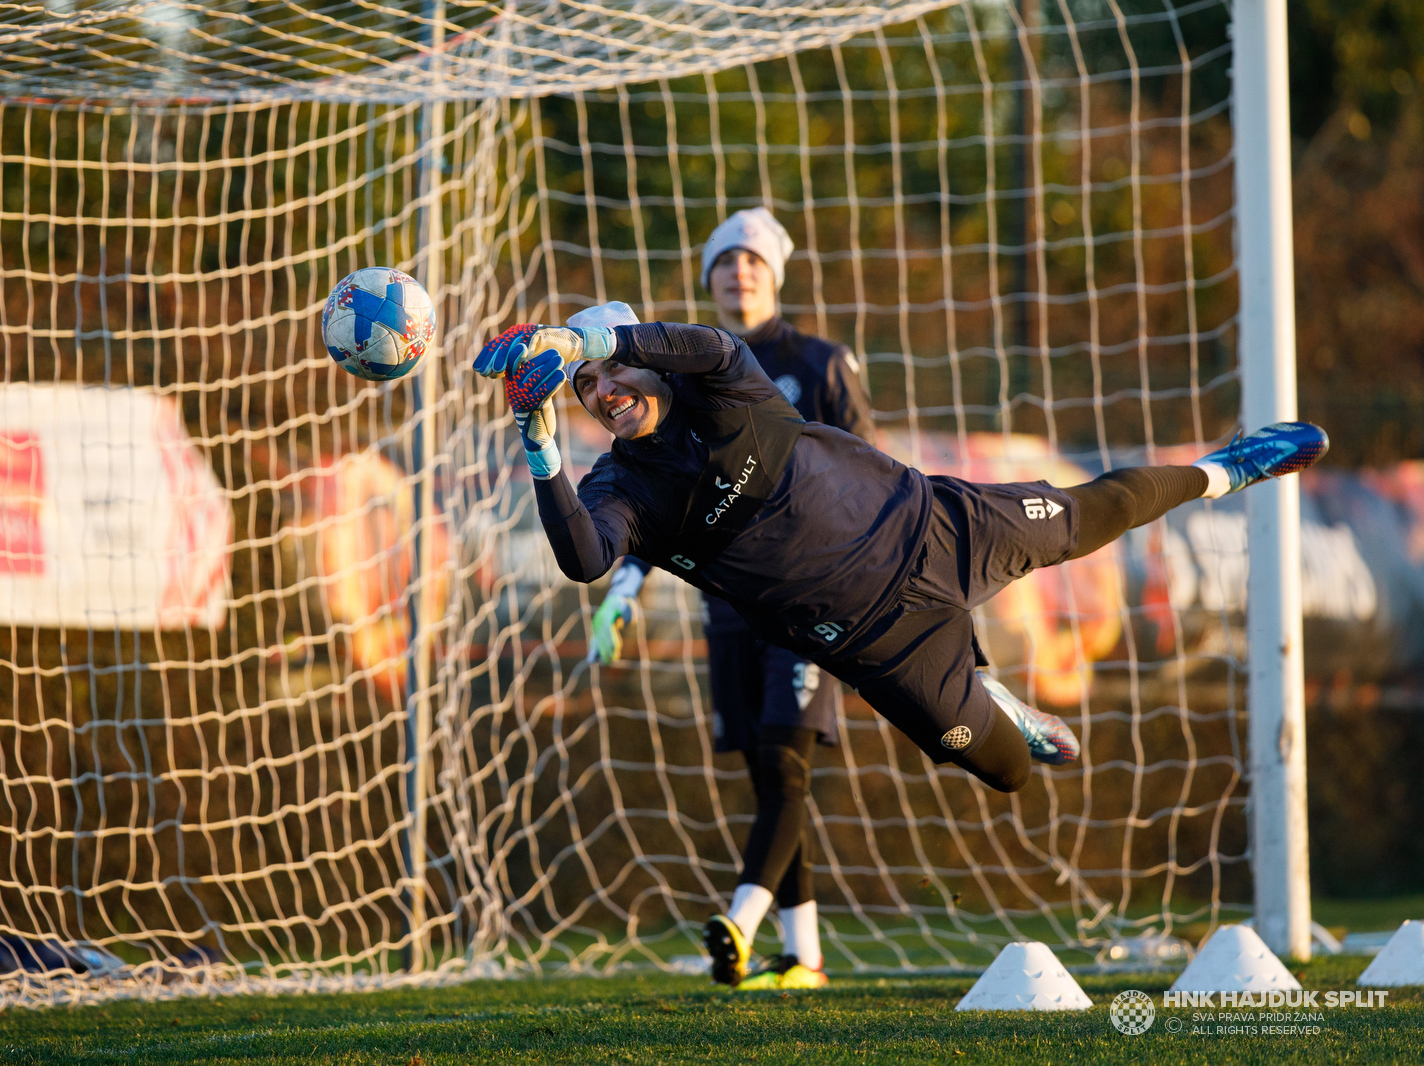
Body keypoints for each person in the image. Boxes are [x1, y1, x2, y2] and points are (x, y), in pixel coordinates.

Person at [478, 314, 1328, 988]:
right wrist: (537, 432)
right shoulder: (619, 484)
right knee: (1008, 772)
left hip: (935, 528)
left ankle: (1231, 468)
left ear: (647, 361)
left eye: (613, 368)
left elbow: (703, 342)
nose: (604, 388)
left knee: (1089, 515)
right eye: (585, 386)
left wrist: (580, 340)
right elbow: (585, 558)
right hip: (878, 645)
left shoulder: (722, 384)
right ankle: (993, 697)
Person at [581, 209, 874, 991]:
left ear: (774, 274)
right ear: (708, 277)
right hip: (729, 604)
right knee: (766, 767)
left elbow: (864, 466)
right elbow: (659, 498)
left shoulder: (821, 361)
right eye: (724, 264)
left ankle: (738, 923)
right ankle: (802, 955)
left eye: (751, 263)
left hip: (811, 596)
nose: (737, 274)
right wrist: (625, 588)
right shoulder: (676, 375)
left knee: (786, 760)